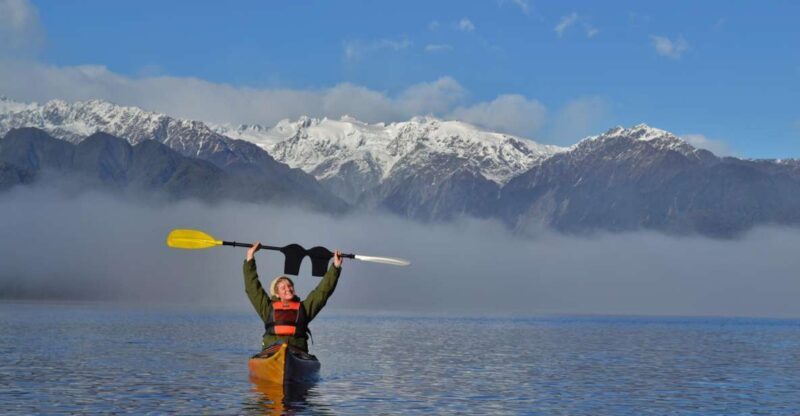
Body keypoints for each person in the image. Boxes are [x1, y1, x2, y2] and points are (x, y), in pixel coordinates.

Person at [243, 241, 343, 352]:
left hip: (297, 351)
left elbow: (323, 292)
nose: (288, 289)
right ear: (277, 294)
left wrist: (335, 267)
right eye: (283, 288)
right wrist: (250, 257)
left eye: (289, 285)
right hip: (272, 350)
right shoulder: (267, 309)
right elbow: (252, 288)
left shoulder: (304, 308)